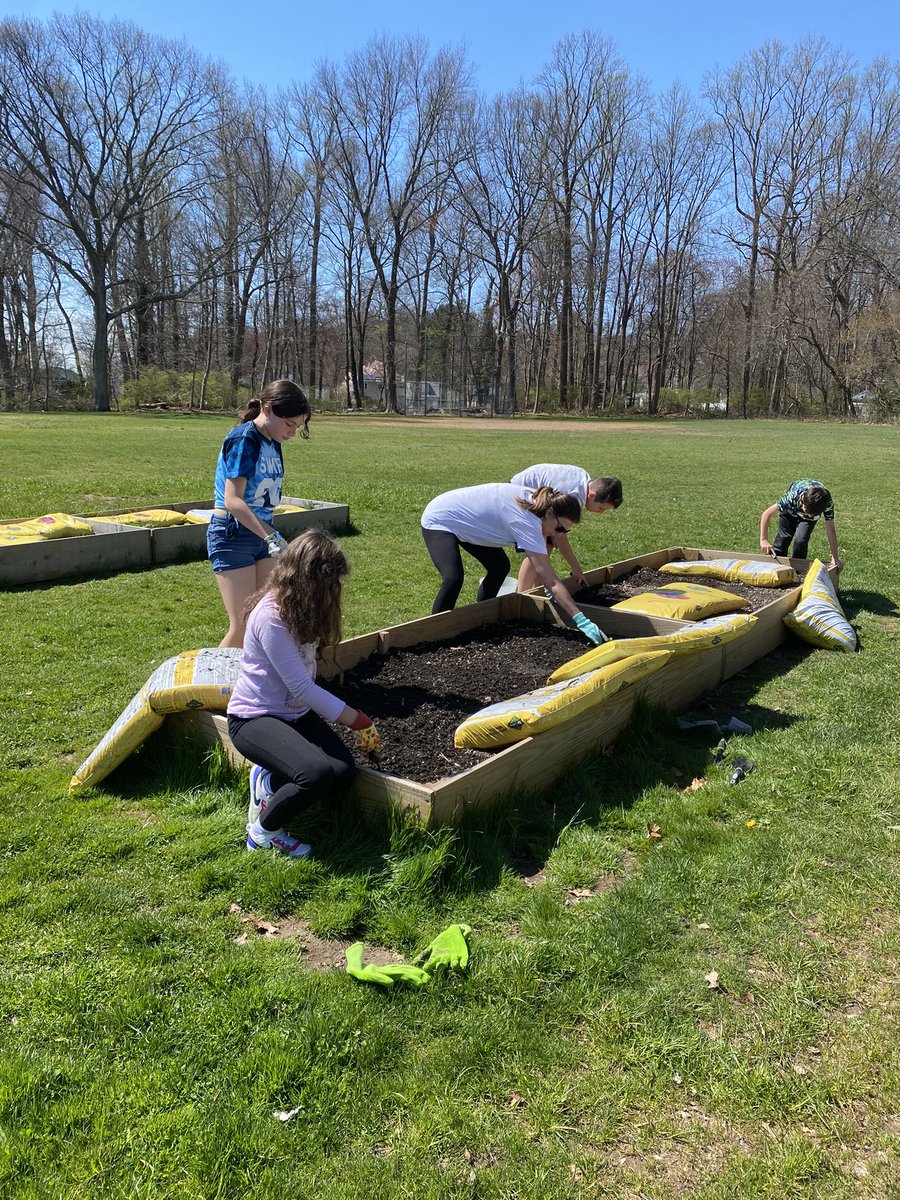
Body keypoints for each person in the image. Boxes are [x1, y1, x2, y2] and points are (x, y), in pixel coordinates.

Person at [227, 529, 380, 858]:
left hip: (294, 714)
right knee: (315, 774)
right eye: (329, 583)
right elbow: (300, 687)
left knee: (342, 773)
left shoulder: (302, 607)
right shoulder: (271, 617)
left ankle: (268, 784)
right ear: (307, 578)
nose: (333, 591)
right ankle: (263, 833)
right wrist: (358, 720)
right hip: (254, 717)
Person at [421, 482, 608, 643]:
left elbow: (546, 575)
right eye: (559, 528)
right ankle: (433, 632)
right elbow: (550, 580)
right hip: (441, 518)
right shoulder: (527, 522)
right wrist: (582, 621)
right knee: (453, 577)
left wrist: (553, 593)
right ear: (550, 513)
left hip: (470, 524)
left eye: (565, 531)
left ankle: (483, 614)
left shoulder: (540, 506)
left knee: (499, 567)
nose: (558, 535)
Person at [208, 380, 311, 648]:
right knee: (242, 625)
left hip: (262, 534)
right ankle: (210, 686)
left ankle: (256, 685)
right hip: (233, 535)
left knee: (264, 619)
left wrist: (268, 535)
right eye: (289, 424)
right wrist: (270, 536)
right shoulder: (245, 438)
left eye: (296, 427)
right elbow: (233, 501)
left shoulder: (273, 440)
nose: (291, 433)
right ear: (267, 409)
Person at [509, 465, 623, 591]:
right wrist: (575, 567)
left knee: (547, 544)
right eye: (601, 508)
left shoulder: (584, 480)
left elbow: (557, 533)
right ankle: (521, 594)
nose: (601, 513)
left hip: (536, 496)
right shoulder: (573, 496)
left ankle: (537, 590)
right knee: (536, 547)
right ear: (591, 495)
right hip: (518, 496)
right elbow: (560, 535)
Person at [759, 479, 843, 572]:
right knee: (783, 538)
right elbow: (766, 514)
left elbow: (830, 529)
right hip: (790, 509)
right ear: (803, 501)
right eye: (806, 512)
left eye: (811, 515)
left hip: (810, 512)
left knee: (801, 540)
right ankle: (774, 568)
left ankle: (798, 572)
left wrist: (835, 557)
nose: (807, 515)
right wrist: (764, 540)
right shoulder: (792, 497)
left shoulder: (826, 503)